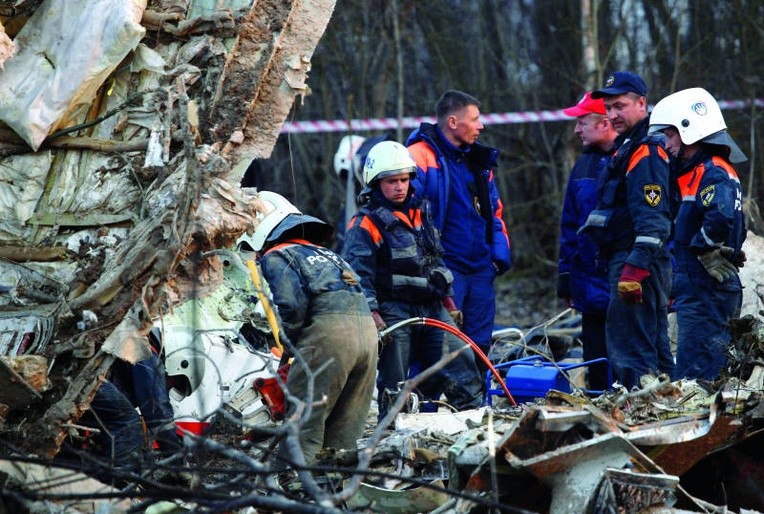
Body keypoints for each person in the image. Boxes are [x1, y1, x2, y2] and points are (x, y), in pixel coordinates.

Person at [342, 140, 483, 419]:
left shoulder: (422, 213)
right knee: (394, 384)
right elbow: (357, 276)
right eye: (392, 181)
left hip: (432, 307)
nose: (400, 187)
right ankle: (390, 437)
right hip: (393, 311)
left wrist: (450, 303)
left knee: (462, 365)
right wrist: (372, 314)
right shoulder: (364, 224)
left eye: (404, 179)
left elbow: (435, 261)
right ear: (375, 183)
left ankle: (475, 429)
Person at [252, 191, 377, 466]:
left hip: (330, 336)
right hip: (368, 336)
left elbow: (290, 305)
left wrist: (290, 342)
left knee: (303, 423)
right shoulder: (328, 254)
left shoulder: (276, 255)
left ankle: (291, 491)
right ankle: (338, 494)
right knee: (346, 428)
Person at [581, 72, 675, 389]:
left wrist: (633, 269)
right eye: (608, 108)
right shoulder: (629, 147)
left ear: (642, 104)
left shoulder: (645, 152)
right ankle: (666, 406)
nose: (612, 115)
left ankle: (642, 418)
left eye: (619, 106)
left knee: (632, 351)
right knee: (653, 349)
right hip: (632, 259)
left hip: (636, 263)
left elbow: (654, 219)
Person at [405, 90, 511, 370]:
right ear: (453, 122)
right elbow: (405, 216)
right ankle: (424, 411)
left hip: (480, 270)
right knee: (433, 348)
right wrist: (424, 267)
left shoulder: (478, 161)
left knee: (480, 348)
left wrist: (497, 258)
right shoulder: (419, 156)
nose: (481, 126)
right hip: (443, 271)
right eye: (475, 119)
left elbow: (495, 212)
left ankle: (475, 410)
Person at [648, 87, 747, 381]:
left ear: (689, 130)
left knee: (698, 376)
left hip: (707, 287)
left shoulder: (712, 171)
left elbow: (720, 216)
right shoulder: (697, 172)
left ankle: (704, 426)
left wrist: (704, 248)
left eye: (670, 135)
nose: (666, 144)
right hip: (702, 286)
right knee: (700, 367)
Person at [557, 92, 619, 390]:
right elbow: (570, 225)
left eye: (582, 122)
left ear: (605, 123)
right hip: (590, 288)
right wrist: (566, 277)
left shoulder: (637, 159)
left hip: (626, 283)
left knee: (629, 367)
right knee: (596, 365)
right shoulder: (582, 166)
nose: (576, 129)